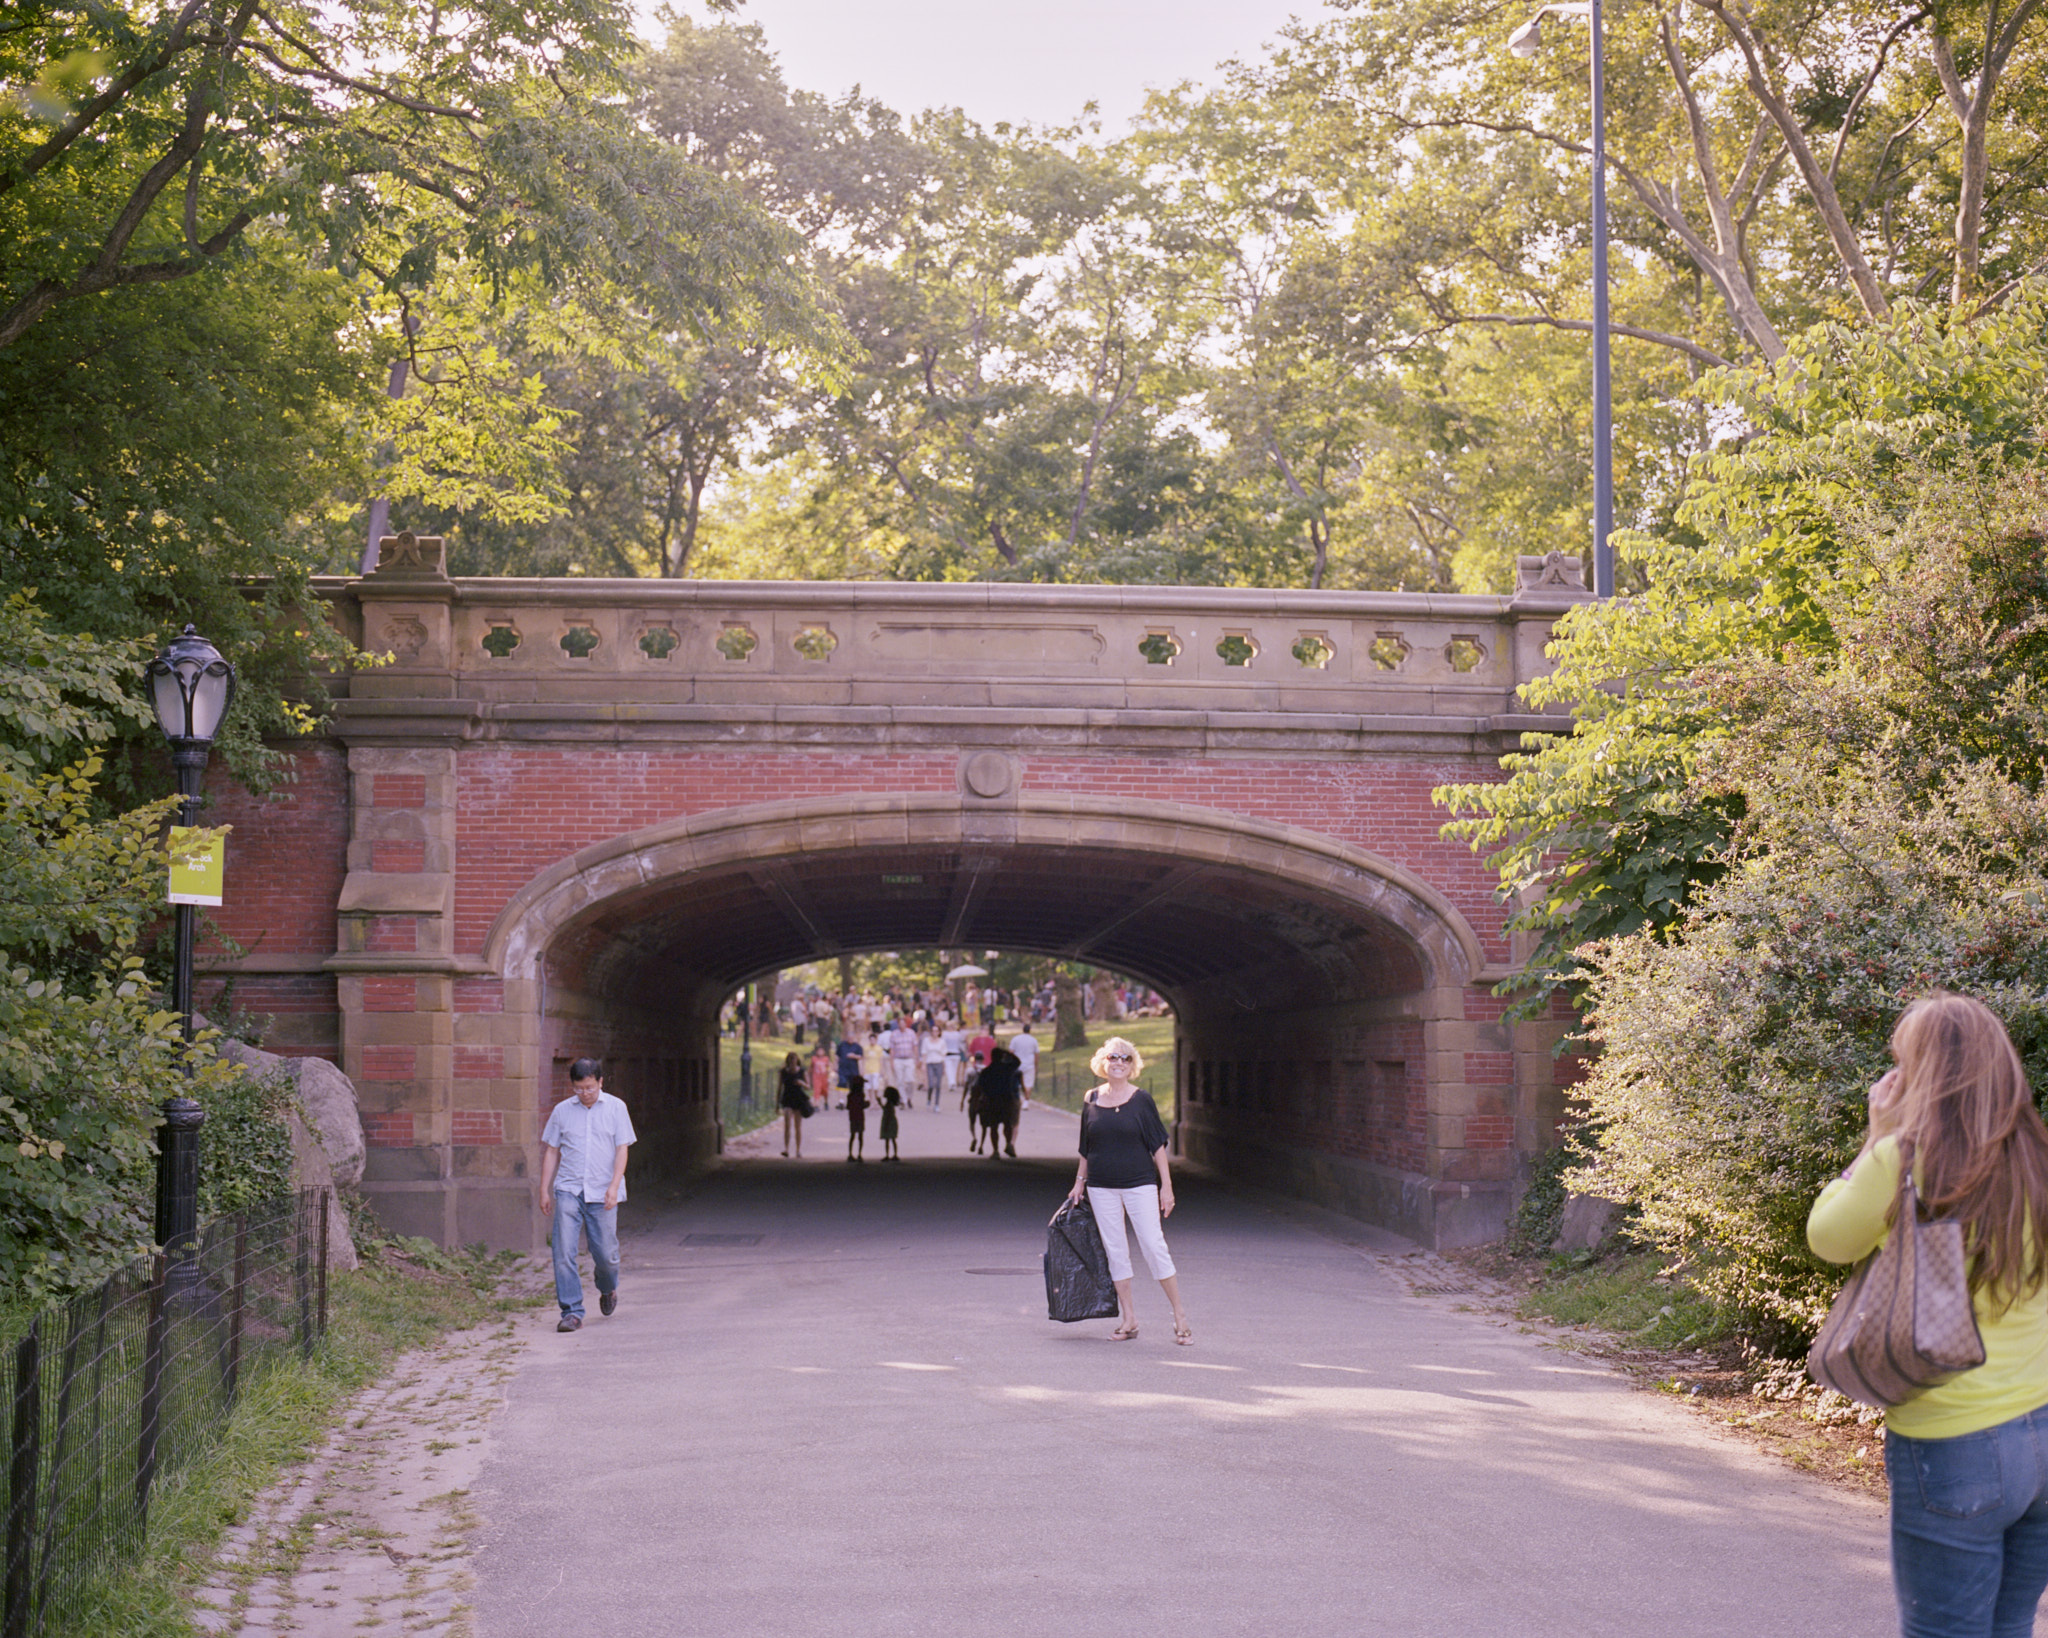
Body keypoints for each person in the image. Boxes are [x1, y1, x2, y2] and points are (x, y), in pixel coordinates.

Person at [1808, 994, 2048, 1638]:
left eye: (1903, 1065)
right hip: (2044, 1430)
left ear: (1926, 1076)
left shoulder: (1905, 1162)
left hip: (1954, 1441)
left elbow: (1828, 1239)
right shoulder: (2038, 1160)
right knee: (2010, 1626)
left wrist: (1877, 1136)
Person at [1065, 1036, 1189, 1345]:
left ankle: (1180, 1315)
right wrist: (1080, 1181)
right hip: (1101, 1187)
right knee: (1115, 1250)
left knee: (1153, 1245)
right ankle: (1129, 1318)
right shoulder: (1091, 1098)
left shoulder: (1141, 1099)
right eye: (1113, 1057)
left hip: (1139, 1184)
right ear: (1102, 1063)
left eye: (1125, 1058)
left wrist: (1166, 1187)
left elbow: (1157, 1145)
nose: (1119, 1062)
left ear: (1132, 1065)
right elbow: (1086, 1146)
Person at [538, 1057, 636, 1333]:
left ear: (600, 1082)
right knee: (563, 1251)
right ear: (573, 1086)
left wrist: (614, 1186)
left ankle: (607, 1288)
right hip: (569, 1189)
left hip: (603, 1190)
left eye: (590, 1088)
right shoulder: (562, 1111)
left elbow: (622, 1149)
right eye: (579, 1089)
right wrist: (544, 1188)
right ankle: (571, 1311)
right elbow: (552, 1150)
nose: (584, 1094)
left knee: (605, 1254)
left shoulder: (616, 1108)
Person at [778, 1050, 809, 1158]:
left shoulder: (802, 1072)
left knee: (797, 1126)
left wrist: (801, 1083)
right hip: (787, 1099)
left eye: (794, 1059)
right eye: (790, 1059)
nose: (792, 1062)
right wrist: (777, 1105)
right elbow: (779, 1087)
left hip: (798, 1099)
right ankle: (786, 1148)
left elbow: (808, 1086)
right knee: (787, 1125)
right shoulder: (783, 1072)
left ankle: (798, 1149)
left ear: (797, 1060)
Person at [886, 1016, 919, 1107]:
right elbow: (892, 1049)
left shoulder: (911, 1033)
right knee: (900, 1080)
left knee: (910, 1080)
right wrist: (891, 1061)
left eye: (903, 1023)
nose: (902, 1025)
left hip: (909, 1059)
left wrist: (916, 1058)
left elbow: (915, 1046)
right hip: (898, 1059)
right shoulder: (894, 1034)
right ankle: (903, 1100)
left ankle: (909, 1097)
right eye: (900, 1024)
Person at [1008, 1022, 1039, 1109]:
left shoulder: (1016, 1039)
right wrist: (1036, 1065)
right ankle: (1026, 1101)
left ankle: (1018, 1099)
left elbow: (1011, 1052)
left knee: (1016, 1083)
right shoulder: (1033, 1040)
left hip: (1017, 1065)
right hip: (1029, 1064)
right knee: (1028, 1084)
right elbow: (1036, 1054)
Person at [921, 1023, 947, 1110]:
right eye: (933, 1031)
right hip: (930, 1063)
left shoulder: (942, 1041)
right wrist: (923, 1065)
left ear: (939, 1032)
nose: (934, 1033)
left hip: (939, 1063)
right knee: (931, 1084)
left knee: (938, 1085)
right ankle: (929, 1098)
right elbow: (924, 1053)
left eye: (936, 1031)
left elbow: (944, 1055)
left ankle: (936, 1104)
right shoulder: (926, 1040)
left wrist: (944, 1067)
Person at [845, 1073, 869, 1162]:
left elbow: (848, 1107)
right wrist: (867, 1104)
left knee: (852, 1136)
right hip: (860, 1117)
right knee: (860, 1136)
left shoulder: (850, 1096)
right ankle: (859, 1154)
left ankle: (850, 1154)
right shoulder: (861, 1095)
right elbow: (862, 1105)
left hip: (852, 1117)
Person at [878, 1084, 903, 1162]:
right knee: (893, 1139)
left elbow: (887, 1112)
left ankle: (887, 1155)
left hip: (888, 1122)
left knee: (888, 1140)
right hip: (892, 1122)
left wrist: (886, 1125)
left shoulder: (888, 1104)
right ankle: (895, 1154)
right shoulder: (890, 1104)